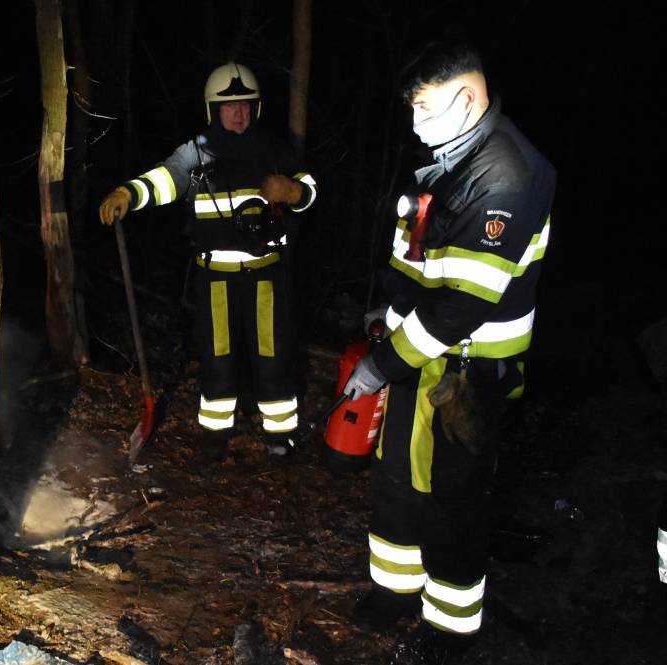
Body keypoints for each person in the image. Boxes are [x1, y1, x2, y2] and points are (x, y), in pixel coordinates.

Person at [343, 41, 556, 663]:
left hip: (470, 375)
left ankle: (451, 626)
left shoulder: (507, 175)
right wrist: (387, 310)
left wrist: (380, 365)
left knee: (453, 499)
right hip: (420, 357)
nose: (415, 123)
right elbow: (416, 258)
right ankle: (395, 592)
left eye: (425, 107)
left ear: (467, 98)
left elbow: (462, 304)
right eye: (411, 108)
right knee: (396, 482)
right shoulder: (447, 160)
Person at [99, 62, 317, 462]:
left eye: (246, 105)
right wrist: (129, 194)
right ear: (213, 109)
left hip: (265, 274)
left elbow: (311, 190)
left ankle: (280, 440)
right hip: (214, 276)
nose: (240, 113)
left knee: (272, 357)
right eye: (230, 106)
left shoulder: (273, 149)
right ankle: (213, 441)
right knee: (217, 360)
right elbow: (164, 180)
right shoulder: (195, 153)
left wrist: (292, 190)